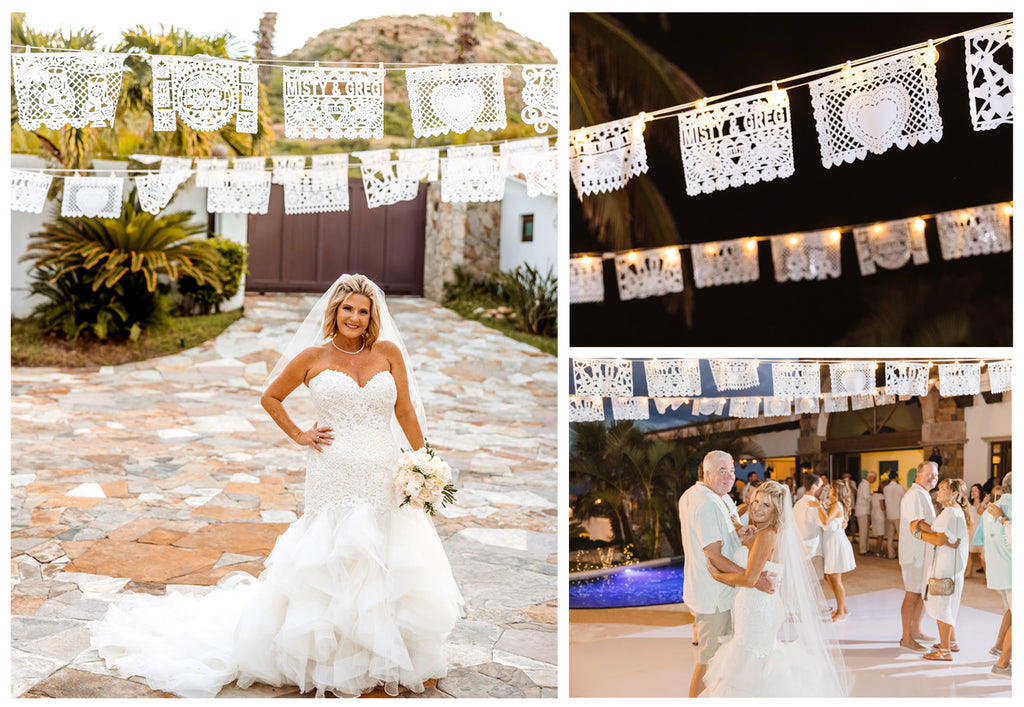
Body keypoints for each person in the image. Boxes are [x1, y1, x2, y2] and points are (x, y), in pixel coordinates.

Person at [90, 274, 465, 698]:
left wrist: (424, 462)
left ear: (372, 316)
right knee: (334, 551)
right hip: (333, 473)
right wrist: (299, 434)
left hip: (383, 471)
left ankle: (393, 653)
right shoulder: (312, 356)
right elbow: (270, 397)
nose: (355, 318)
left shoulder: (388, 353)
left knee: (386, 554)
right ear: (335, 312)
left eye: (363, 311)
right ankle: (326, 655)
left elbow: (406, 412)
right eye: (348, 309)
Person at [701, 481, 848, 697]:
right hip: (759, 605)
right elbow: (758, 561)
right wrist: (743, 533)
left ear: (776, 510)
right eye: (756, 501)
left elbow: (751, 579)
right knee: (756, 662)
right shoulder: (766, 532)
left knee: (749, 665)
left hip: (757, 608)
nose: (757, 508)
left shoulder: (767, 534)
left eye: (766, 505)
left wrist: (718, 575)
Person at [678, 450, 770, 698]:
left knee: (721, 662)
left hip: (717, 592)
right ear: (707, 474)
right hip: (714, 598)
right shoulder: (705, 503)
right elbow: (714, 556)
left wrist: (737, 535)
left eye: (731, 470)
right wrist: (754, 579)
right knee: (709, 663)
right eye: (722, 471)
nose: (730, 476)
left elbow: (717, 538)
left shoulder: (708, 495)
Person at [915, 479, 969, 661]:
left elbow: (939, 540)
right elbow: (944, 534)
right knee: (947, 604)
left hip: (946, 567)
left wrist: (918, 533)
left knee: (942, 606)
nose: (938, 491)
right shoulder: (953, 512)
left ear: (954, 494)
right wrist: (924, 526)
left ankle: (945, 651)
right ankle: (951, 642)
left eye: (943, 489)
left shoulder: (951, 513)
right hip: (951, 565)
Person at [898, 461, 939, 652]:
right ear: (918, 475)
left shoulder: (923, 495)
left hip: (924, 553)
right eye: (929, 473)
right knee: (913, 594)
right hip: (915, 555)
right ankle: (906, 638)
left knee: (922, 593)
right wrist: (941, 535)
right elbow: (917, 524)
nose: (933, 477)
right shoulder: (914, 495)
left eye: (936, 474)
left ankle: (915, 630)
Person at [981, 474, 1012, 673]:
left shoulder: (990, 509)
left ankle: (998, 646)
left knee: (1012, 610)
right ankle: (1002, 664)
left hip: (999, 570)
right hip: (1013, 568)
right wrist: (1004, 519)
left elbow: (980, 539)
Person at [816, 483, 855, 621]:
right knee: (828, 576)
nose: (829, 490)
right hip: (831, 542)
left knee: (836, 580)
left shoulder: (836, 504)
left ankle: (841, 612)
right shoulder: (835, 504)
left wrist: (819, 507)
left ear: (836, 490)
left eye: (831, 488)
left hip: (835, 544)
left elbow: (826, 521)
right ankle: (842, 606)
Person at [793, 472, 825, 580]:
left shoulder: (798, 504)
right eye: (821, 486)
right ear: (813, 487)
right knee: (814, 585)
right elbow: (826, 524)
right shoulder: (814, 505)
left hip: (798, 550)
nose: (822, 489)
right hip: (812, 551)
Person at [883, 472, 904, 560]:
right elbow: (904, 499)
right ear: (896, 477)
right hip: (898, 514)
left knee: (890, 536)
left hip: (889, 514)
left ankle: (890, 554)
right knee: (900, 536)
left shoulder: (885, 488)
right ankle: (901, 555)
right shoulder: (900, 487)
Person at [966, 483, 985, 578]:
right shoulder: (969, 503)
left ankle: (986, 574)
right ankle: (969, 572)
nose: (973, 492)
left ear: (980, 492)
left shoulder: (984, 502)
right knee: (969, 552)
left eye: (976, 490)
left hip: (980, 529)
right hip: (971, 529)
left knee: (981, 552)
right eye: (972, 491)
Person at [855, 471, 876, 555]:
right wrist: (874, 496)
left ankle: (865, 549)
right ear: (871, 477)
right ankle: (863, 550)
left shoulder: (863, 484)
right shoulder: (866, 484)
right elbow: (867, 497)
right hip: (863, 511)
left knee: (865, 531)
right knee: (864, 532)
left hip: (862, 510)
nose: (874, 480)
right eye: (874, 478)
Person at [835, 472, 856, 538]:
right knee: (843, 521)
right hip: (843, 505)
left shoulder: (852, 482)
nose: (847, 478)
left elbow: (856, 492)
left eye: (848, 477)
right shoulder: (840, 483)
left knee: (853, 521)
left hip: (851, 505)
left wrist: (851, 486)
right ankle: (843, 536)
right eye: (845, 477)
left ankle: (854, 537)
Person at [870, 487, 887, 556]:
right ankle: (878, 551)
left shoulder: (874, 495)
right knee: (880, 535)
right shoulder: (881, 496)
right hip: (880, 516)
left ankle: (879, 550)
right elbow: (882, 507)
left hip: (874, 515)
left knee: (878, 534)